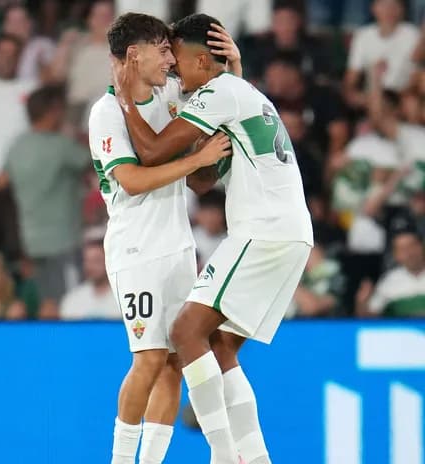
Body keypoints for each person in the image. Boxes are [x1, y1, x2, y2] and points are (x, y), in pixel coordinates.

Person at [116, 14, 313, 464]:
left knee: (185, 330)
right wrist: (196, 148)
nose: (173, 69)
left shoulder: (220, 92)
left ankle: (222, 454)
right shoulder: (242, 93)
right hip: (287, 232)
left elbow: (151, 151)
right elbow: (202, 181)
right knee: (219, 346)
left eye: (177, 58)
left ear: (203, 60)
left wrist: (125, 98)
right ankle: (254, 457)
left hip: (264, 230)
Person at [88, 12, 237, 464]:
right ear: (134, 54)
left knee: (175, 361)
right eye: (163, 50)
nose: (171, 60)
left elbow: (218, 97)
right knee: (149, 358)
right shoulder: (105, 112)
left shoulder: (170, 95)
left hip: (178, 247)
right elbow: (132, 180)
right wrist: (196, 161)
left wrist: (234, 66)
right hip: (137, 249)